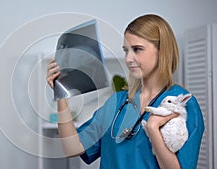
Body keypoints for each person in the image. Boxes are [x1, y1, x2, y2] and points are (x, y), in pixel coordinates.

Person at [46, 14, 204, 169]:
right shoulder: (117, 102)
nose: (128, 58)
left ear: (162, 51)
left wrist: (153, 130)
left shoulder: (181, 103)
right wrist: (62, 94)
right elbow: (72, 148)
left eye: (137, 49)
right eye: (126, 50)